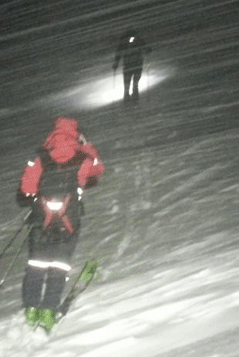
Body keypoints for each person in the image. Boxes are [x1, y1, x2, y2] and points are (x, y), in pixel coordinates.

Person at [15, 117, 105, 331]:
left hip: (41, 221)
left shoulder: (40, 158)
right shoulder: (83, 158)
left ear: (53, 134)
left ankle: (31, 310)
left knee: (36, 266)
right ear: (75, 134)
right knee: (59, 267)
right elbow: (98, 169)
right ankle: (48, 311)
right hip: (69, 222)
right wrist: (86, 145)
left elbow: (27, 189)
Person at [111, 29, 151, 102]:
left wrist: (116, 62)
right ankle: (134, 94)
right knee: (136, 80)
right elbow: (146, 48)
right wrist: (148, 50)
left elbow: (119, 53)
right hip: (137, 63)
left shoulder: (124, 43)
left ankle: (127, 95)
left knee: (127, 80)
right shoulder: (138, 40)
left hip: (128, 63)